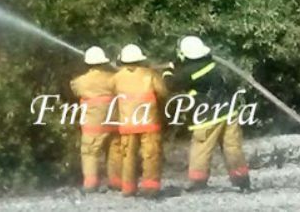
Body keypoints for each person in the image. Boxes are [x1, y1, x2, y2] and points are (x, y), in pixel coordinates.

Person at [163, 36, 251, 192]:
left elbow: (171, 84)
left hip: (208, 116)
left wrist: (168, 70)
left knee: (201, 147)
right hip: (229, 112)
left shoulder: (191, 71)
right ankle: (242, 180)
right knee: (232, 147)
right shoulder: (212, 65)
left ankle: (198, 181)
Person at [112, 43, 168, 198]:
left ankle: (128, 188)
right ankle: (150, 187)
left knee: (128, 157)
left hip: (127, 124)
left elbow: (112, 93)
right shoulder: (150, 75)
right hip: (149, 122)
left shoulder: (116, 77)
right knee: (151, 154)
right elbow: (162, 92)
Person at [70, 46, 122, 193]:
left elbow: (74, 88)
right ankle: (117, 181)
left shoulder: (81, 81)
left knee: (90, 153)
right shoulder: (113, 78)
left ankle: (91, 184)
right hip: (114, 121)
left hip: (93, 125)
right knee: (115, 151)